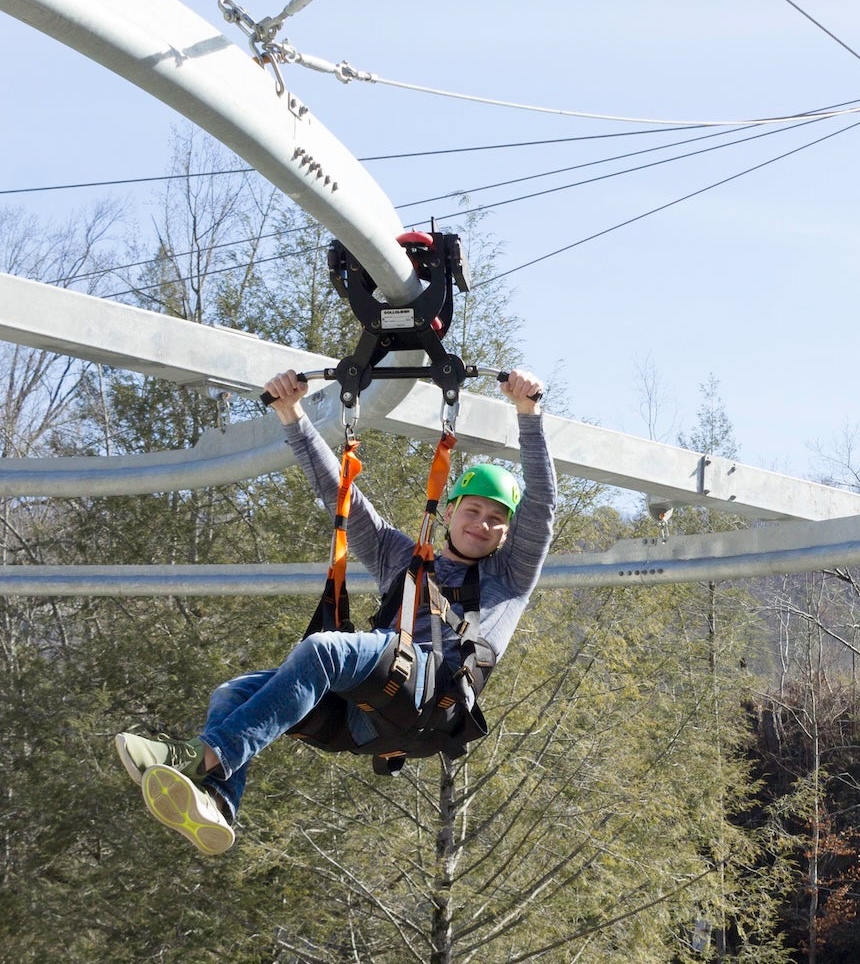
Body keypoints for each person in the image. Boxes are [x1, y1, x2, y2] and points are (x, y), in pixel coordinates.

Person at [112, 367, 554, 856]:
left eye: (496, 520)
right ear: (449, 512)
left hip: (430, 698)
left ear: (508, 534)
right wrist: (291, 414)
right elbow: (338, 494)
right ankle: (217, 799)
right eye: (473, 511)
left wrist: (528, 414)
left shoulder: (508, 579)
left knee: (325, 649)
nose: (483, 524)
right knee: (233, 693)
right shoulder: (400, 558)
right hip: (363, 719)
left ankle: (201, 756)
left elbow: (543, 506)